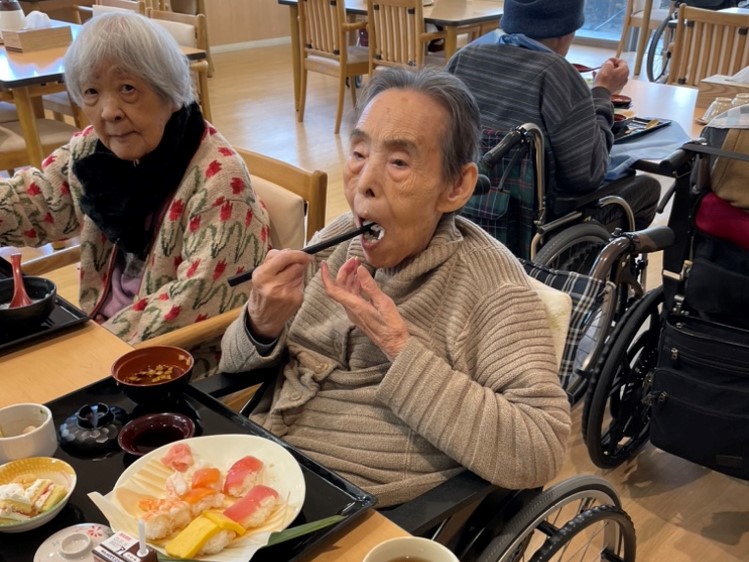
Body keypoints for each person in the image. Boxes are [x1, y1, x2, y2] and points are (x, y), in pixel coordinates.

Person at [220, 67, 571, 507]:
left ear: (456, 186)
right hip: (260, 462)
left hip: (358, 507)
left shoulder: (490, 286)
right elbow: (232, 365)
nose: (364, 182)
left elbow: (541, 448)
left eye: (399, 162)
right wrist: (260, 324)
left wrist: (399, 347)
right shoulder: (340, 238)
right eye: (359, 153)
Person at [0, 12, 270, 374]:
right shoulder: (93, 153)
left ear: (168, 91)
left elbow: (191, 304)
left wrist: (79, 354)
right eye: (92, 92)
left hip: (173, 366)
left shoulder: (221, 184)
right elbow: (37, 202)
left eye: (127, 88)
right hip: (97, 338)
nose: (109, 112)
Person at [446, 0, 661, 233]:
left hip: (458, 217)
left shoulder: (462, 58)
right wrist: (602, 92)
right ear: (566, 31)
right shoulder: (557, 76)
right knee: (648, 188)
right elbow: (588, 175)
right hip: (533, 231)